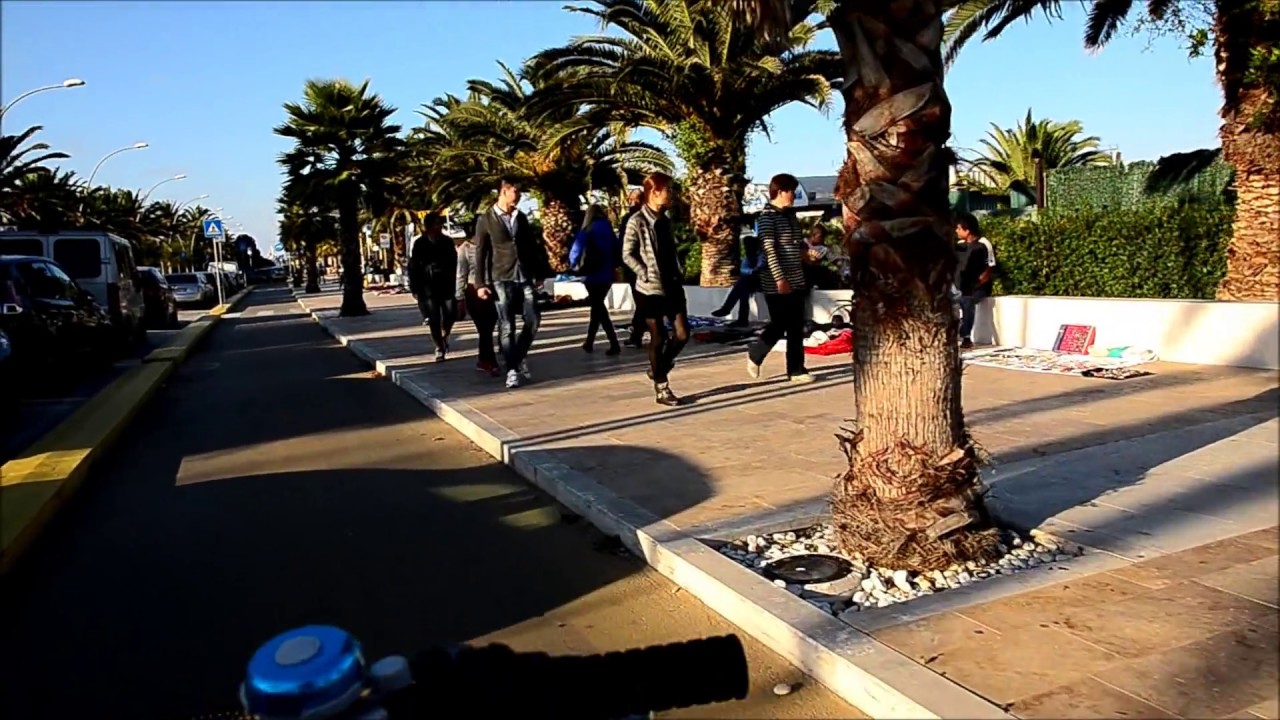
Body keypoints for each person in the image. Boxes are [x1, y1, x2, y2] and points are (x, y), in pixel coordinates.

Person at [475, 177, 551, 389]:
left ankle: (517, 357)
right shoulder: (486, 219)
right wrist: (480, 283)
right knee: (507, 325)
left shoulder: (520, 217)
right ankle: (511, 369)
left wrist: (539, 272)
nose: (518, 197)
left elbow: (531, 246)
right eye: (515, 193)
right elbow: (481, 252)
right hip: (501, 276)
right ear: (504, 192)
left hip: (524, 274)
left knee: (533, 318)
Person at [623, 172, 689, 407]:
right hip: (649, 289)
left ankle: (659, 367)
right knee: (658, 336)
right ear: (654, 192)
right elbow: (627, 254)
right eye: (668, 190)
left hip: (672, 284)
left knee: (682, 334)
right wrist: (644, 272)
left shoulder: (666, 220)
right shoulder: (637, 221)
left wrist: (679, 268)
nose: (671, 194)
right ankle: (662, 388)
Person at [746, 173, 812, 384]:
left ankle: (796, 369)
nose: (794, 196)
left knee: (796, 325)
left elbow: (797, 243)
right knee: (780, 323)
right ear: (781, 192)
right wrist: (779, 279)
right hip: (776, 280)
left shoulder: (791, 216)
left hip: (797, 277)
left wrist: (806, 255)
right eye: (792, 191)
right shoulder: (767, 217)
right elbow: (769, 250)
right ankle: (757, 352)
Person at [569, 204, 622, 355]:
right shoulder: (609, 230)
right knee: (597, 307)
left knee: (599, 308)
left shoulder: (587, 229)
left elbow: (576, 250)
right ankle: (589, 341)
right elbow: (617, 249)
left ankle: (614, 343)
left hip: (591, 275)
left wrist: (574, 265)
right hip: (607, 274)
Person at [407, 212, 458, 361]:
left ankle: (445, 335)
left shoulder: (447, 241)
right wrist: (414, 287)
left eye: (440, 224)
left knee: (450, 313)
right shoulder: (420, 243)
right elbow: (414, 266)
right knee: (433, 318)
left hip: (446, 284)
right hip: (427, 287)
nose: (439, 227)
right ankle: (439, 347)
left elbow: (454, 262)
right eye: (436, 224)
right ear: (428, 226)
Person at [456, 224, 500, 376]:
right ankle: (490, 361)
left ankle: (484, 359)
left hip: (493, 288)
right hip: (473, 292)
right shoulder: (465, 248)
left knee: (489, 327)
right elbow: (461, 274)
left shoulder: (493, 245)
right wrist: (459, 297)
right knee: (484, 328)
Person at [955, 211, 997, 350]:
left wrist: (976, 284)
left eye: (959, 228)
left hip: (978, 287)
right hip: (961, 286)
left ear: (967, 230)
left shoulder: (984, 244)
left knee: (967, 301)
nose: (956, 231)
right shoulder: (960, 245)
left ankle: (966, 336)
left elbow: (989, 268)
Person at [617, 189, 647, 348]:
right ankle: (640, 333)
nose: (630, 202)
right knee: (645, 302)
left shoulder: (630, 218)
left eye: (632, 199)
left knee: (642, 302)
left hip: (635, 268)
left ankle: (637, 335)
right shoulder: (650, 216)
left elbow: (624, 247)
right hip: (643, 266)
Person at [710, 231, 760, 327]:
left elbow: (759, 269)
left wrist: (750, 272)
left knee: (742, 284)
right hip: (750, 280)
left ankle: (728, 309)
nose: (746, 249)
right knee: (742, 286)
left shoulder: (760, 255)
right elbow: (744, 269)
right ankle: (738, 316)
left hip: (762, 280)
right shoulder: (748, 257)